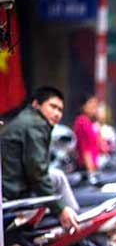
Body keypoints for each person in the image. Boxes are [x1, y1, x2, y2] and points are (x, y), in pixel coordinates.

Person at [1, 86, 79, 231]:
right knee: (57, 177)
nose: (56, 113)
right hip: (13, 191)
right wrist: (61, 209)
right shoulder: (35, 124)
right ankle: (75, 224)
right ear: (36, 104)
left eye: (60, 110)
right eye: (53, 107)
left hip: (14, 185)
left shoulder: (29, 120)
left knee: (55, 176)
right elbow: (37, 173)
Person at [73, 93, 102, 174]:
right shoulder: (82, 122)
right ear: (83, 106)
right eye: (91, 103)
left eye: (96, 104)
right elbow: (85, 149)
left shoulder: (89, 123)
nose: (94, 107)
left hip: (93, 164)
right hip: (86, 166)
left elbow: (100, 144)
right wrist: (91, 171)